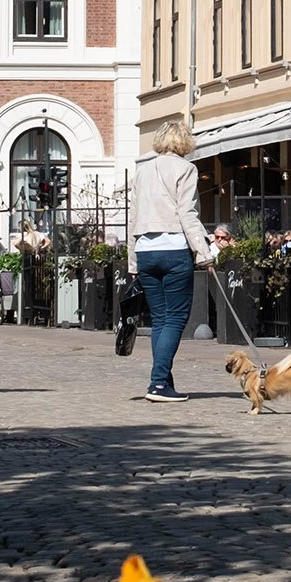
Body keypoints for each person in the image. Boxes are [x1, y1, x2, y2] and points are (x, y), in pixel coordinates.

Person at [128, 119, 216, 402]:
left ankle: (163, 381)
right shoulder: (186, 169)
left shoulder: (141, 172)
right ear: (184, 143)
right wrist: (204, 254)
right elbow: (187, 213)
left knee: (160, 319)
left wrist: (132, 261)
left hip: (144, 249)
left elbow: (133, 217)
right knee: (176, 317)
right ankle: (157, 383)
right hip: (174, 247)